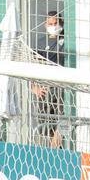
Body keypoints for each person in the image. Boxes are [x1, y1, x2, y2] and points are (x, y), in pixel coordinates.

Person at [32, 10, 67, 148]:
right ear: (45, 25)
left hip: (61, 88)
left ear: (61, 23)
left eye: (56, 23)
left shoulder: (66, 40)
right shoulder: (41, 43)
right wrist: (33, 86)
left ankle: (55, 150)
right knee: (46, 124)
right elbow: (32, 65)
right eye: (50, 23)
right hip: (45, 89)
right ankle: (53, 149)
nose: (53, 26)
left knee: (64, 119)